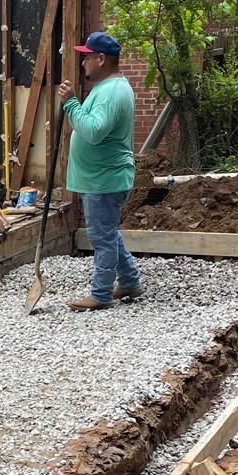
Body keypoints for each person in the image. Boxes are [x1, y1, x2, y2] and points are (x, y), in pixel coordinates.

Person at [56, 31, 139, 311]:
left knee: (102, 237)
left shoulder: (110, 93)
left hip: (104, 179)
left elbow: (92, 131)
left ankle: (101, 295)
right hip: (103, 177)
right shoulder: (110, 88)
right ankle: (130, 282)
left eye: (86, 57)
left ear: (101, 59)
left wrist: (70, 103)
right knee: (109, 233)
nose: (83, 64)